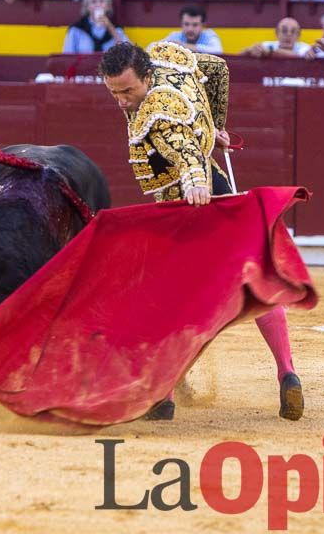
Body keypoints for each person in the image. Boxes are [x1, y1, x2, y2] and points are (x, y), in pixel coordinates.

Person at [97, 40, 305, 421]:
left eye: (128, 91)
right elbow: (216, 69)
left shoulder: (156, 112)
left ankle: (164, 397)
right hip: (222, 188)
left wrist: (195, 180)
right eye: (114, 92)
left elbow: (184, 152)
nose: (123, 100)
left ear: (145, 77)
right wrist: (215, 125)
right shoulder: (168, 59)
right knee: (255, 278)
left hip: (185, 206)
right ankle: (287, 372)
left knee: (166, 297)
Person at [63, 0, 128, 52]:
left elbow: (128, 53)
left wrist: (110, 27)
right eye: (93, 2)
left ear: (108, 6)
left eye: (102, 1)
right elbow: (67, 55)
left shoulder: (116, 29)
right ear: (87, 6)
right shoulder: (76, 29)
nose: (98, 5)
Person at [242, 16, 309, 58]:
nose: (288, 35)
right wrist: (249, 51)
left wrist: (271, 52)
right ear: (276, 33)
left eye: (293, 31)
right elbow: (240, 55)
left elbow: (297, 56)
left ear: (298, 36)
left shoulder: (304, 47)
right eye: (284, 31)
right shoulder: (268, 45)